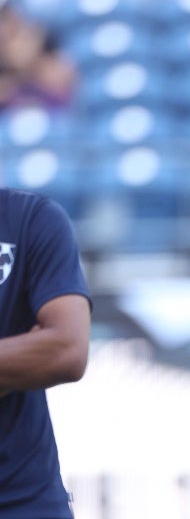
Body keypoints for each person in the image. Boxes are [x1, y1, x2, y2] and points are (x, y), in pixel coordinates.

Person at [0, 188, 92, 517]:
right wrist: (17, 358)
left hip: (25, 499)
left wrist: (46, 348)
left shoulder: (32, 218)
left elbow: (67, 350)